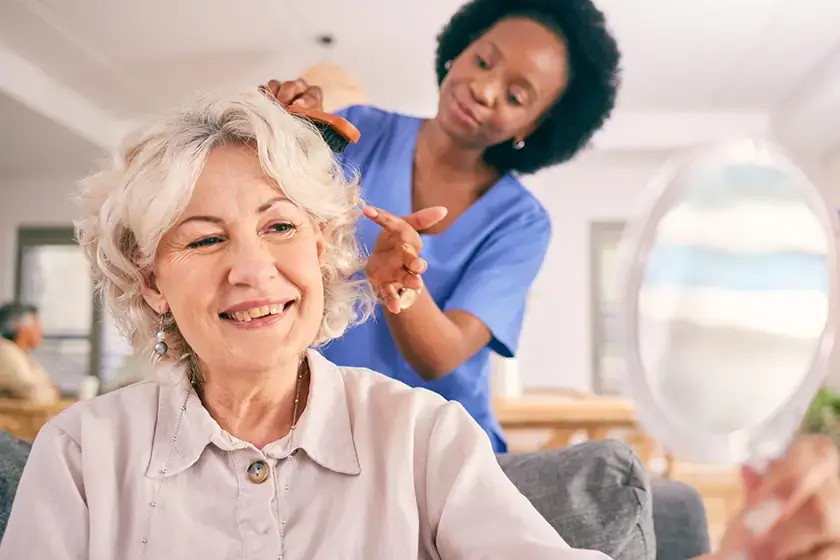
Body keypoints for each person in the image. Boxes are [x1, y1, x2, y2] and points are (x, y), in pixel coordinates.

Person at [1, 91, 839, 560]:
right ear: (151, 280)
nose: (251, 268)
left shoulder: (420, 435)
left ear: (328, 250)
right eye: (206, 237)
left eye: (281, 226)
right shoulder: (81, 454)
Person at [262, 0, 621, 453]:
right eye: (483, 61)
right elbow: (267, 229)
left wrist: (400, 286)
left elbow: (442, 358)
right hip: (320, 426)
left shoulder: (521, 222)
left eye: (515, 97)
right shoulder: (360, 131)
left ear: (535, 125)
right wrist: (283, 129)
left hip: (439, 449)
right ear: (461, 49)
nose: (484, 89)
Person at [0, 302, 58, 403]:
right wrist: (51, 391)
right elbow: (33, 394)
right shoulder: (5, 353)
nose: (41, 331)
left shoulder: (20, 353)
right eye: (36, 325)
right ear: (21, 328)